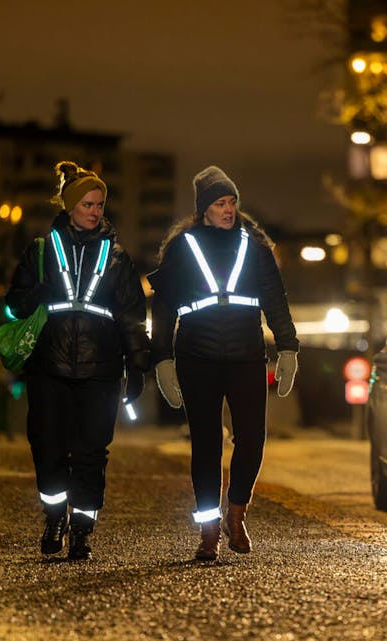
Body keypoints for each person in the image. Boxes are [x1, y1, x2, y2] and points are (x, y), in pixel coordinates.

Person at [148, 166, 299, 561]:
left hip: (246, 354)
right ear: (203, 209)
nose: (228, 209)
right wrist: (161, 359)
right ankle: (208, 532)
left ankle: (236, 513)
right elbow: (162, 307)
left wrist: (288, 347)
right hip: (197, 357)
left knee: (252, 438)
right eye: (219, 203)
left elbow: (275, 300)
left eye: (232, 202)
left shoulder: (256, 246)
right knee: (206, 446)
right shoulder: (182, 247)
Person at [5, 161, 150, 559]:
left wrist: (138, 366)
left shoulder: (118, 257)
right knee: (48, 447)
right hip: (48, 368)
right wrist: (34, 292)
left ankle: (82, 531)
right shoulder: (39, 251)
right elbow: (13, 307)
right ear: (70, 206)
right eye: (87, 203)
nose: (95, 211)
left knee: (91, 452)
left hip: (101, 371)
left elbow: (132, 316)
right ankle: (55, 517)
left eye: (100, 205)